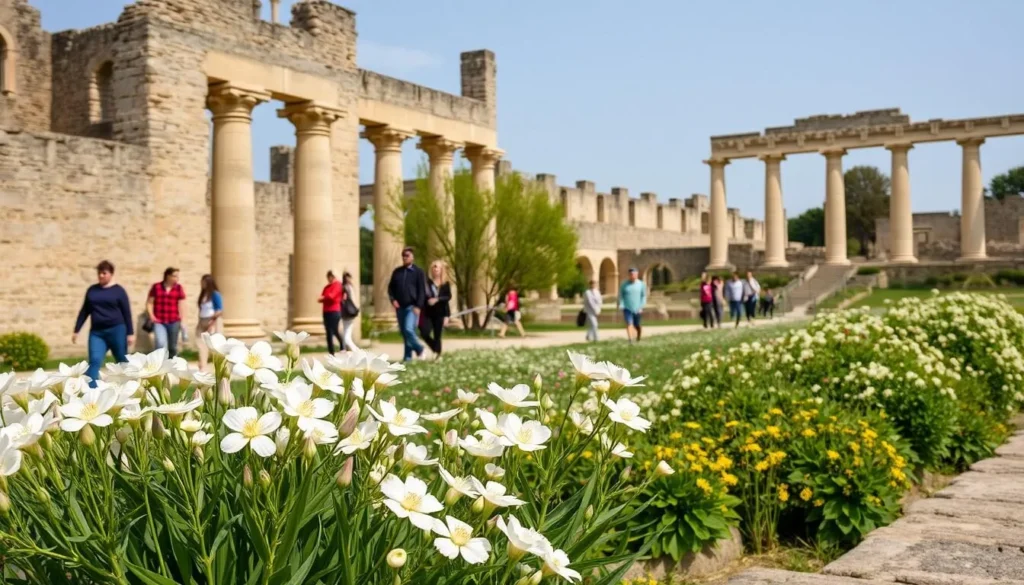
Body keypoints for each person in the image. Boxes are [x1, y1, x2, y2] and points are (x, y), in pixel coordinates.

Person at [74, 260, 134, 387]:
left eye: (104, 273)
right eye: (99, 273)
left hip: (117, 330)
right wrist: (76, 330)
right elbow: (85, 311)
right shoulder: (92, 290)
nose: (101, 275)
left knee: (122, 360)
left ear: (111, 274)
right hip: (97, 333)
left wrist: (130, 333)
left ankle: (128, 387)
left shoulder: (119, 291)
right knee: (94, 360)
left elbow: (126, 312)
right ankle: (91, 391)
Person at [388, 247, 427, 361]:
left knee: (408, 329)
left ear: (412, 257)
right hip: (400, 307)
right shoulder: (397, 272)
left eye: (407, 255)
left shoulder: (418, 272)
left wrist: (418, 306)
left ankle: (420, 349)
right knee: (405, 333)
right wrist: (393, 300)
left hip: (412, 307)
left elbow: (422, 291)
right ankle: (407, 358)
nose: (405, 257)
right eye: (403, 255)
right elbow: (390, 289)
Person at [147, 267, 186, 358]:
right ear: (168, 276)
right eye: (175, 276)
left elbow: (182, 304)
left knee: (172, 347)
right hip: (159, 321)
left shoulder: (179, 288)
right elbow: (149, 303)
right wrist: (151, 316)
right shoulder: (156, 287)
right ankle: (159, 365)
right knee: (160, 343)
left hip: (174, 321)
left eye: (177, 276)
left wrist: (183, 320)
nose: (177, 278)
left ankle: (172, 364)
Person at [420, 261, 452, 357]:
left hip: (440, 313)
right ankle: (436, 349)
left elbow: (448, 297)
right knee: (424, 333)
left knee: (437, 336)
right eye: (433, 267)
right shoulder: (427, 283)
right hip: (427, 313)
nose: (435, 269)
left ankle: (437, 355)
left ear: (441, 270)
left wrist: (447, 315)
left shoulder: (445, 284)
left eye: (437, 267)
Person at [195, 274, 223, 372]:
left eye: (204, 282)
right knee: (200, 343)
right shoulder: (203, 295)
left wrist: (212, 321)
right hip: (202, 320)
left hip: (212, 320)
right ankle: (202, 365)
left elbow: (219, 309)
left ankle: (219, 365)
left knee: (214, 344)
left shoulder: (215, 294)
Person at [617, 267, 647, 344]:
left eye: (634, 274)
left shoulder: (641, 284)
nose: (632, 275)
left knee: (637, 325)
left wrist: (641, 307)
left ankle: (638, 336)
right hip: (627, 307)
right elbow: (621, 295)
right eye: (630, 274)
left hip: (637, 308)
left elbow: (643, 296)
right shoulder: (624, 284)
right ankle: (630, 340)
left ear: (637, 274)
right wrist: (620, 304)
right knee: (629, 323)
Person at [318, 270, 344, 355]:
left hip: (334, 311)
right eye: (328, 276)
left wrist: (324, 297)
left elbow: (332, 296)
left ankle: (339, 348)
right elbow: (320, 298)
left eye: (331, 276)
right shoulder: (327, 287)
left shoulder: (338, 285)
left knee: (332, 330)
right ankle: (333, 350)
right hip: (326, 311)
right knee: (329, 331)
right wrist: (325, 297)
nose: (329, 278)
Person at [340, 272, 359, 352]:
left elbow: (345, 299)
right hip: (348, 313)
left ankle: (353, 350)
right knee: (346, 335)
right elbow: (353, 300)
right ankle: (349, 350)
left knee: (346, 335)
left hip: (346, 313)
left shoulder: (345, 288)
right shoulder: (349, 287)